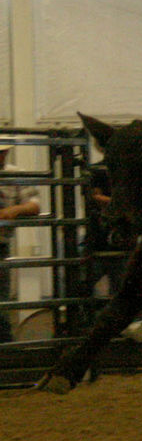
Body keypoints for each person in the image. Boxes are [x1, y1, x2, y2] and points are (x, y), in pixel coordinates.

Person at [0, 139, 41, 342]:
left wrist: (14, 210)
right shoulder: (15, 174)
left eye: (3, 152)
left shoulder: (14, 174)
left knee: (1, 299)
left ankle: (5, 343)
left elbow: (34, 205)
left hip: (1, 245)